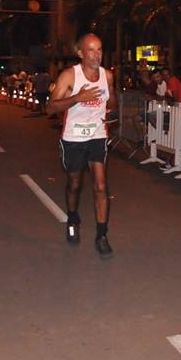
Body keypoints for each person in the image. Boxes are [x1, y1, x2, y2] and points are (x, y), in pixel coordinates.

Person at [46, 33, 117, 259]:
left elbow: (112, 100)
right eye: (91, 50)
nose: (97, 55)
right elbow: (50, 108)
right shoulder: (69, 76)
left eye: (100, 50)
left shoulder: (108, 75)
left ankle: (101, 235)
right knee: (74, 183)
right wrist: (78, 97)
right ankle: (73, 217)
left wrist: (109, 111)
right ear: (80, 53)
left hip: (97, 135)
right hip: (73, 138)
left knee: (101, 185)